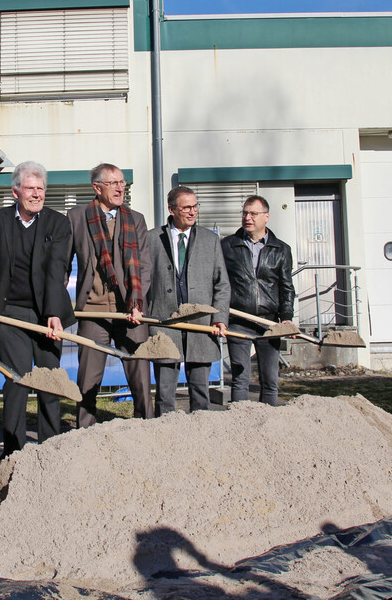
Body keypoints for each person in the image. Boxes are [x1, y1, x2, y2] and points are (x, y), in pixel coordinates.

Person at [0, 161, 75, 457]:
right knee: (18, 380)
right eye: (30, 188)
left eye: (41, 188)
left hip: (47, 314)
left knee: (49, 380)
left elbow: (56, 269)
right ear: (15, 191)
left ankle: (49, 449)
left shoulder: (58, 223)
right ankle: (13, 452)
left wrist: (54, 313)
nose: (36, 194)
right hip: (8, 314)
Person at [68, 163, 153, 426]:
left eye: (122, 183)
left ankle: (145, 427)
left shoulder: (135, 219)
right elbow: (61, 262)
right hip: (92, 310)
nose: (120, 188)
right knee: (88, 380)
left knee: (140, 376)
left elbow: (145, 265)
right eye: (113, 183)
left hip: (130, 311)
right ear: (97, 187)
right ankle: (85, 433)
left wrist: (138, 303)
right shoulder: (76, 217)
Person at [146, 187, 231, 414]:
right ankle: (164, 435)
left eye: (195, 206)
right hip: (164, 325)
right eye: (187, 207)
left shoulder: (210, 240)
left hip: (201, 326)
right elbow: (143, 282)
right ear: (172, 209)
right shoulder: (152, 239)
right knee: (164, 394)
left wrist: (220, 318)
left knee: (201, 392)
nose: (193, 212)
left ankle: (201, 436)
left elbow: (221, 283)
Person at [221, 195, 295, 405]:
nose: (248, 217)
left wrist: (287, 317)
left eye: (253, 213)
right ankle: (240, 423)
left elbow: (286, 286)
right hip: (238, 320)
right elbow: (220, 283)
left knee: (270, 380)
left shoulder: (281, 249)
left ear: (266, 217)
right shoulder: (228, 246)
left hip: (268, 323)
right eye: (245, 213)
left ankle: (268, 426)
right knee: (240, 379)